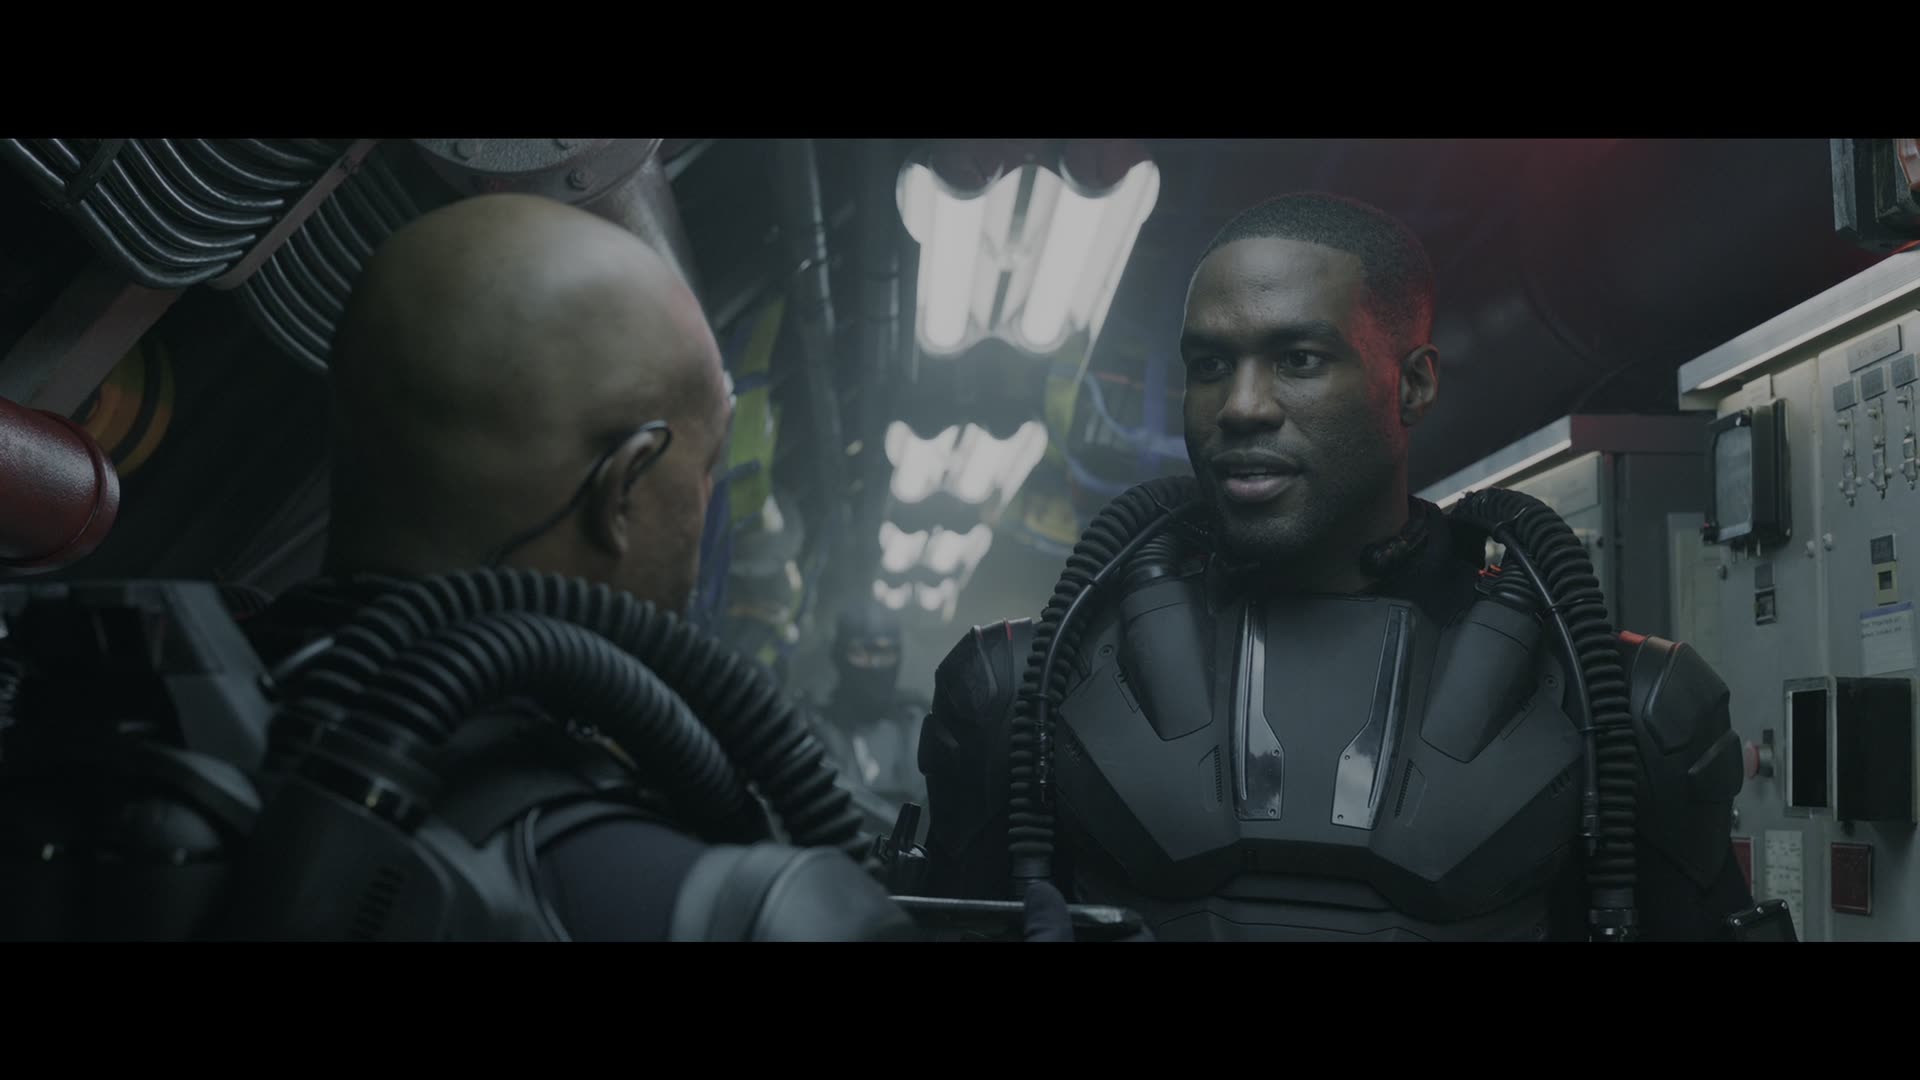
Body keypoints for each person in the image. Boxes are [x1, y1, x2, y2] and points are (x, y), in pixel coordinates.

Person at [919, 192, 1756, 942]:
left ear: (1414, 386)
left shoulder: (1624, 711)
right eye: (1210, 365)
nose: (1242, 406)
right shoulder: (1022, 693)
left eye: (1299, 359)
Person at [243, 193, 912, 941]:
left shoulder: (194, 694)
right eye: (706, 470)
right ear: (621, 492)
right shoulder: (686, 903)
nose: (706, 503)